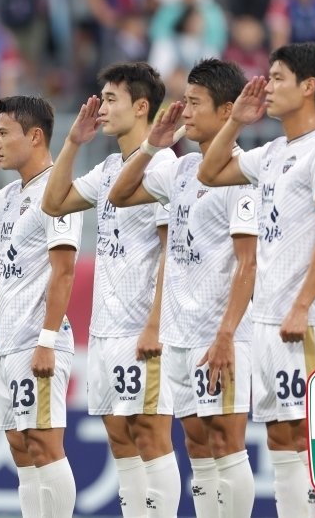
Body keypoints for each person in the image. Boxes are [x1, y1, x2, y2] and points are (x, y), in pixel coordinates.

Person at [198, 42, 315, 518]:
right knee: (280, 436)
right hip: (266, 321)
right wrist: (236, 121)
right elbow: (210, 170)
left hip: (303, 320)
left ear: (309, 87)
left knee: (306, 432)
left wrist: (302, 305)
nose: (268, 86)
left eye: (279, 77)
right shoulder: (274, 151)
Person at [107, 60, 259, 517]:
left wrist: (227, 335)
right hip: (180, 334)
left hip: (220, 333)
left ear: (228, 110)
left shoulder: (241, 173)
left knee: (226, 441)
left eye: (195, 103)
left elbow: (248, 263)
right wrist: (153, 145)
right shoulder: (183, 167)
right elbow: (119, 193)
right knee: (197, 442)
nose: (184, 112)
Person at [41, 63, 181, 517]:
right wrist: (72, 141)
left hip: (143, 326)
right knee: (119, 432)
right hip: (105, 328)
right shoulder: (106, 169)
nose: (101, 107)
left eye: (112, 99)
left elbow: (171, 253)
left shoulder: (164, 164)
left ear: (142, 107)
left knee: (151, 432)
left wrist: (156, 326)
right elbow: (53, 201)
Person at [0, 96, 81, 518]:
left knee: (44, 444)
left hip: (38, 341)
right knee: (21, 448)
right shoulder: (10, 195)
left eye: (4, 132)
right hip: (7, 344)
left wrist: (46, 340)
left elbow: (63, 272)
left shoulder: (57, 192)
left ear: (35, 136)